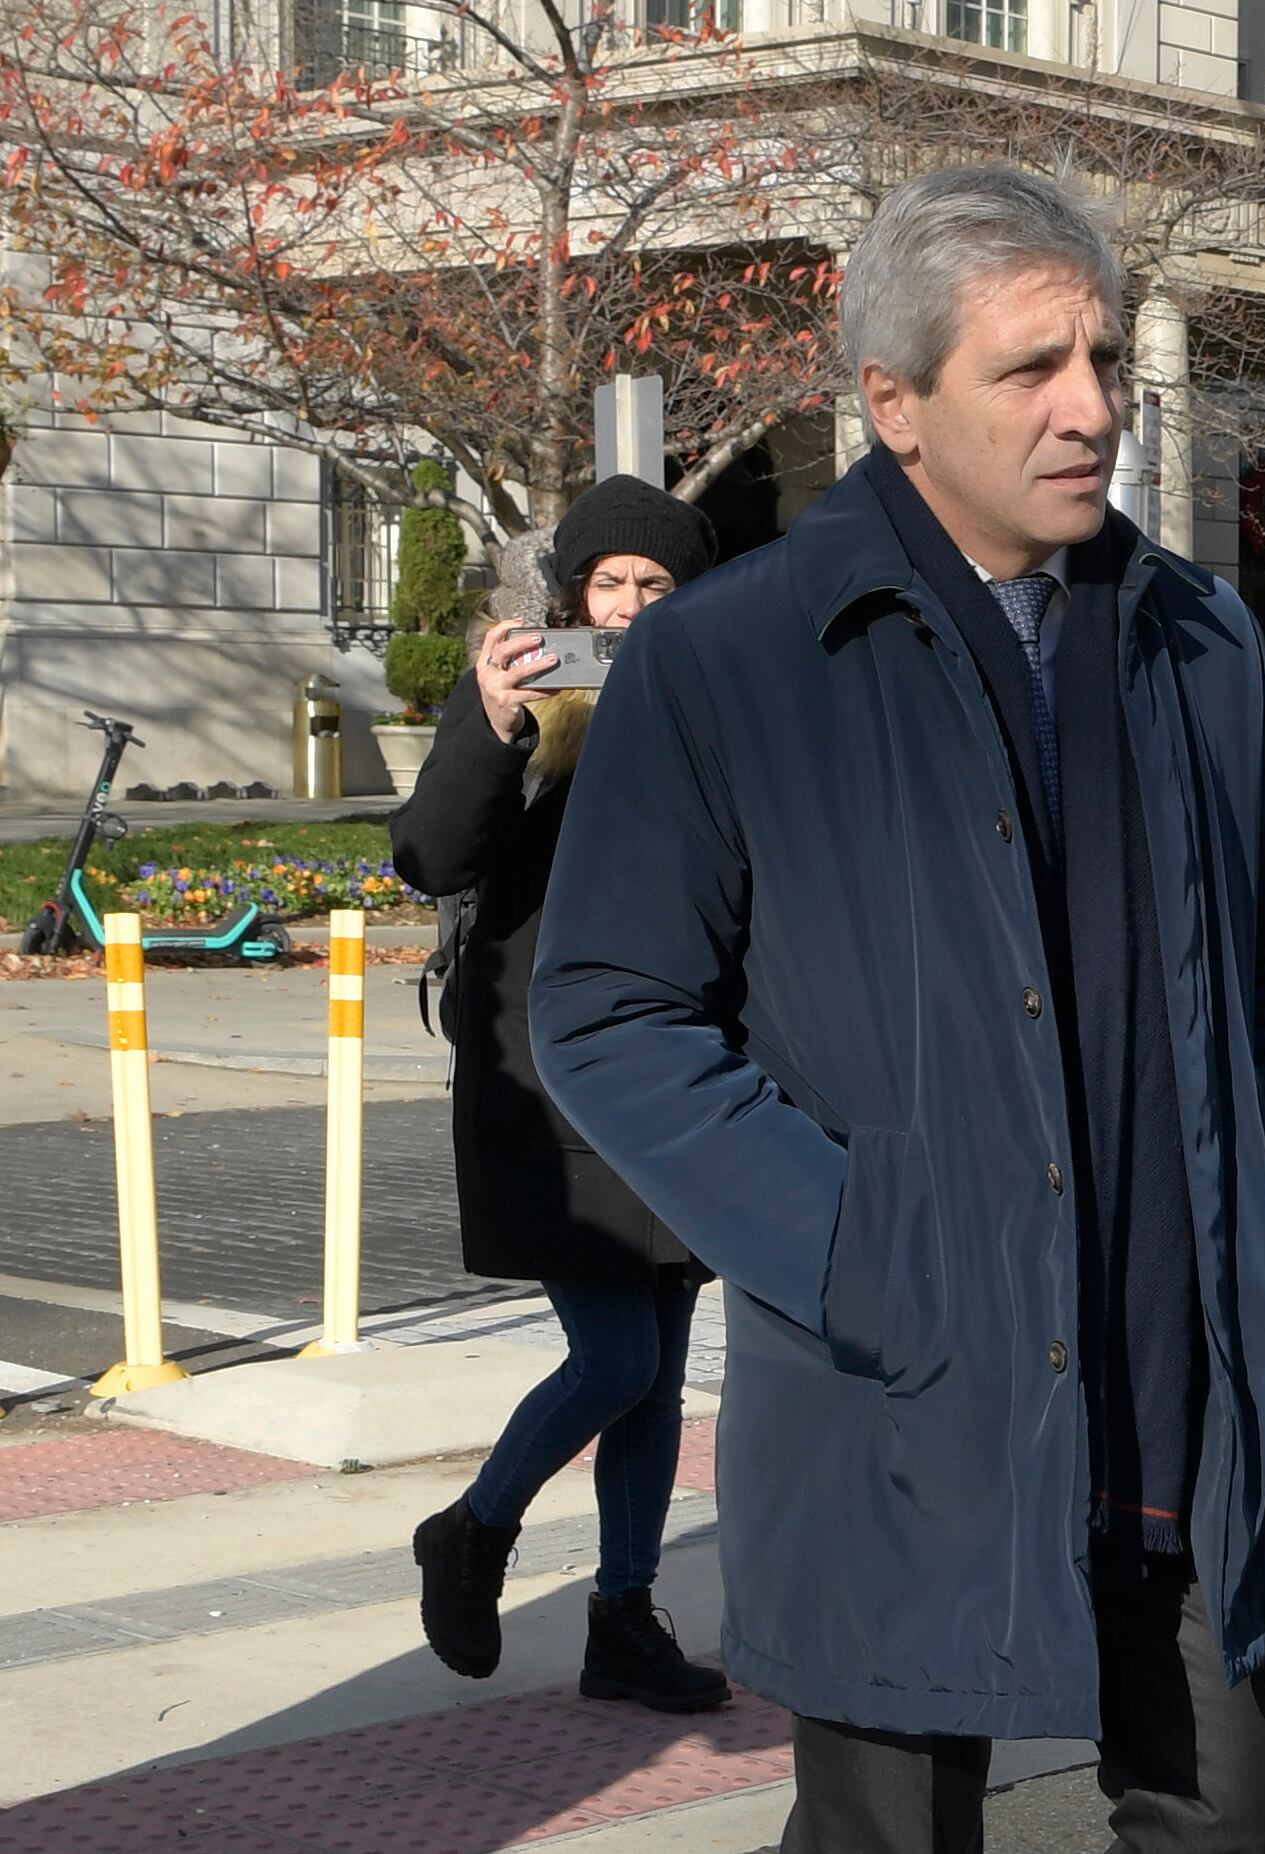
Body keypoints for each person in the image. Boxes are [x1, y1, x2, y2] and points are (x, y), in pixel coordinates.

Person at [525, 165, 1265, 1854]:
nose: (1091, 407)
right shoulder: (732, 659)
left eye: (1107, 360)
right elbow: (607, 1011)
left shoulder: (1198, 640)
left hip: (1182, 1372)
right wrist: (845, 1242)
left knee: (1240, 1820)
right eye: (1030, 368)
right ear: (893, 403)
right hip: (908, 1380)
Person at [393, 472, 729, 1713]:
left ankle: (623, 1618)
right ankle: (472, 1531)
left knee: (662, 1357)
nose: (633, 607)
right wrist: (490, 720)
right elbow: (429, 851)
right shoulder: (531, 697)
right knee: (618, 1355)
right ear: (570, 594)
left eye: (657, 586)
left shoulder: (712, 702)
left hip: (681, 1066)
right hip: (544, 1073)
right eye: (610, 585)